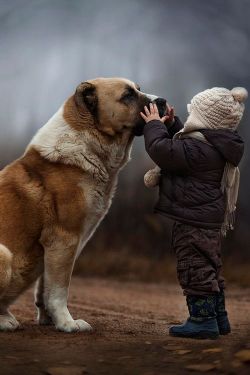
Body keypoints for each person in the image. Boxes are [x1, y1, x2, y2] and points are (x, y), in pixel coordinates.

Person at [140, 87, 247, 339]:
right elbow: (183, 145)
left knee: (194, 267)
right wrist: (172, 124)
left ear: (205, 120)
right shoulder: (213, 145)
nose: (189, 119)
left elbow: (162, 150)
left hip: (192, 219)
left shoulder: (198, 150)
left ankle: (202, 321)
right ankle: (219, 317)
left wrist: (154, 125)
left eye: (193, 114)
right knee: (209, 266)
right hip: (206, 218)